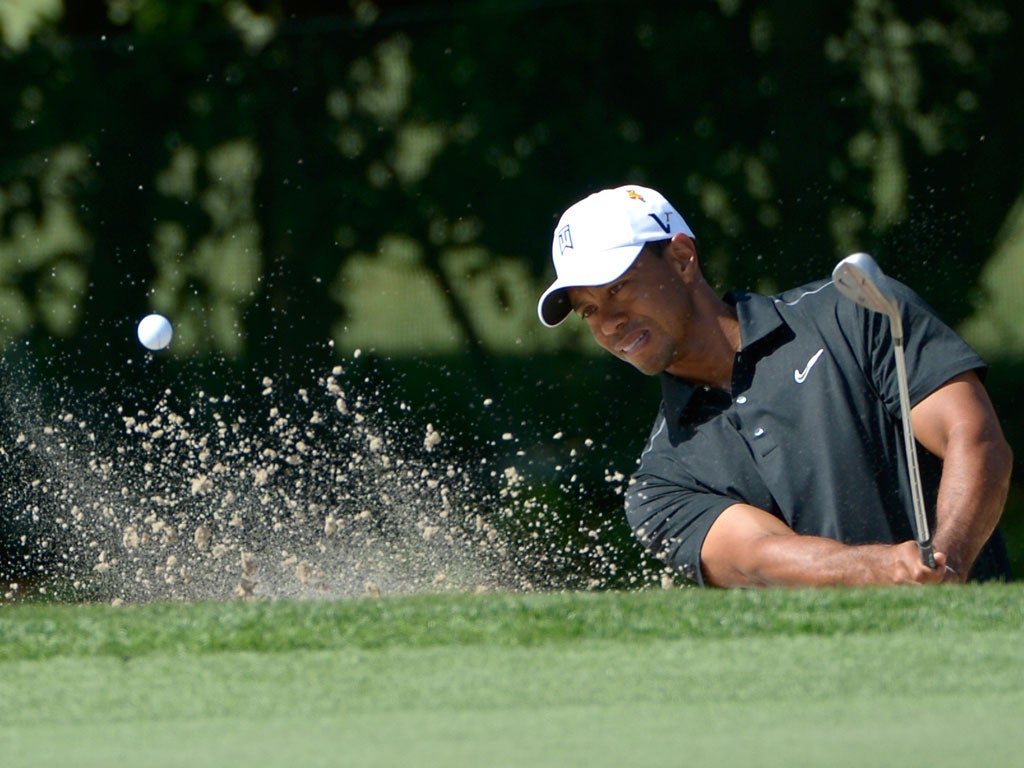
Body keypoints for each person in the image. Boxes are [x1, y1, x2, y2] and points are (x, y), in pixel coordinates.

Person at [537, 184, 1013, 587]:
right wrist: (887, 570)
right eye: (590, 310)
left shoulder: (855, 312)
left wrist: (947, 565)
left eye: (618, 288)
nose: (609, 324)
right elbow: (761, 557)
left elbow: (972, 436)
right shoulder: (661, 482)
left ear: (682, 258)